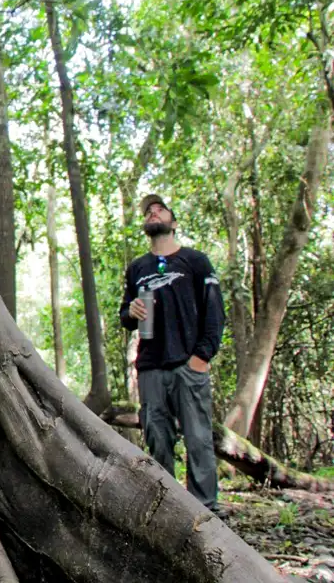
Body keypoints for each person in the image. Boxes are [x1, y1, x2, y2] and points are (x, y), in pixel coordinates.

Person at [119, 194, 225, 513]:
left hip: (188, 364)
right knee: (158, 438)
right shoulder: (138, 268)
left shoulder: (195, 261)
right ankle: (170, 509)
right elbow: (126, 316)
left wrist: (201, 357)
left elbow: (215, 312)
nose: (153, 212)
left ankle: (206, 508)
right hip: (151, 367)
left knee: (198, 439)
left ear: (173, 223)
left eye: (160, 210)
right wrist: (131, 310)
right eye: (149, 211)